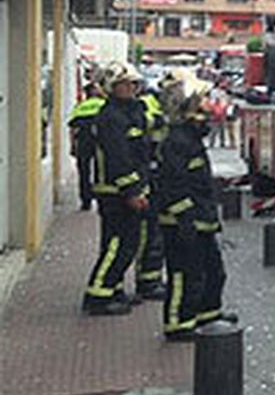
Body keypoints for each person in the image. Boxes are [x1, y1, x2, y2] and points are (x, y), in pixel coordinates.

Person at [156, 69, 236, 341]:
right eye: (201, 102)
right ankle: (178, 324)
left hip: (200, 218)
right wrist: (185, 219)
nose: (207, 107)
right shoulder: (177, 141)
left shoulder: (189, 138)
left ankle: (208, 314)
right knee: (184, 274)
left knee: (213, 271)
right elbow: (172, 184)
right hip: (183, 222)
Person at [82, 62, 151, 316]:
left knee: (117, 243)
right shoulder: (111, 118)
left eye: (134, 83)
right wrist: (132, 191)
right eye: (126, 83)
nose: (132, 87)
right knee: (120, 244)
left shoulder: (125, 113)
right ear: (113, 87)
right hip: (115, 192)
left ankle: (113, 289)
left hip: (122, 189)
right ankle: (98, 295)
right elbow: (118, 159)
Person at [132, 84, 169, 300]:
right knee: (149, 235)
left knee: (154, 235)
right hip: (147, 178)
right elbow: (144, 132)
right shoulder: (146, 105)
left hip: (153, 176)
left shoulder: (154, 105)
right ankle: (147, 282)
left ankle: (151, 279)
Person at [68, 74, 107, 212]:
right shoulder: (104, 105)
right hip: (100, 142)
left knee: (84, 171)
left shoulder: (81, 106)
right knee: (100, 172)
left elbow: (72, 126)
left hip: (84, 142)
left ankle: (86, 201)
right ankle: (101, 199)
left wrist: (72, 145)